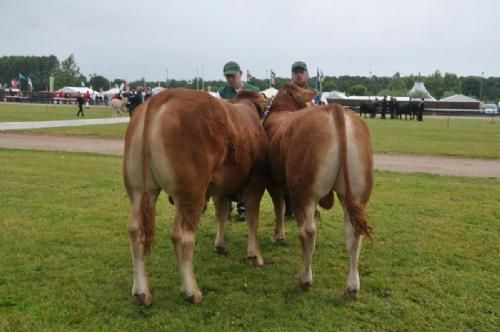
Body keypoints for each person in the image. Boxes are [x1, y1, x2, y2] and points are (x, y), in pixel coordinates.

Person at [218, 61, 259, 221]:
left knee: (247, 170)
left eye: (232, 76)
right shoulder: (222, 92)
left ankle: (243, 206)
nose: (230, 79)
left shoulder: (253, 91)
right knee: (226, 170)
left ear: (240, 74)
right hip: (228, 137)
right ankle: (227, 205)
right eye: (227, 76)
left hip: (248, 135)